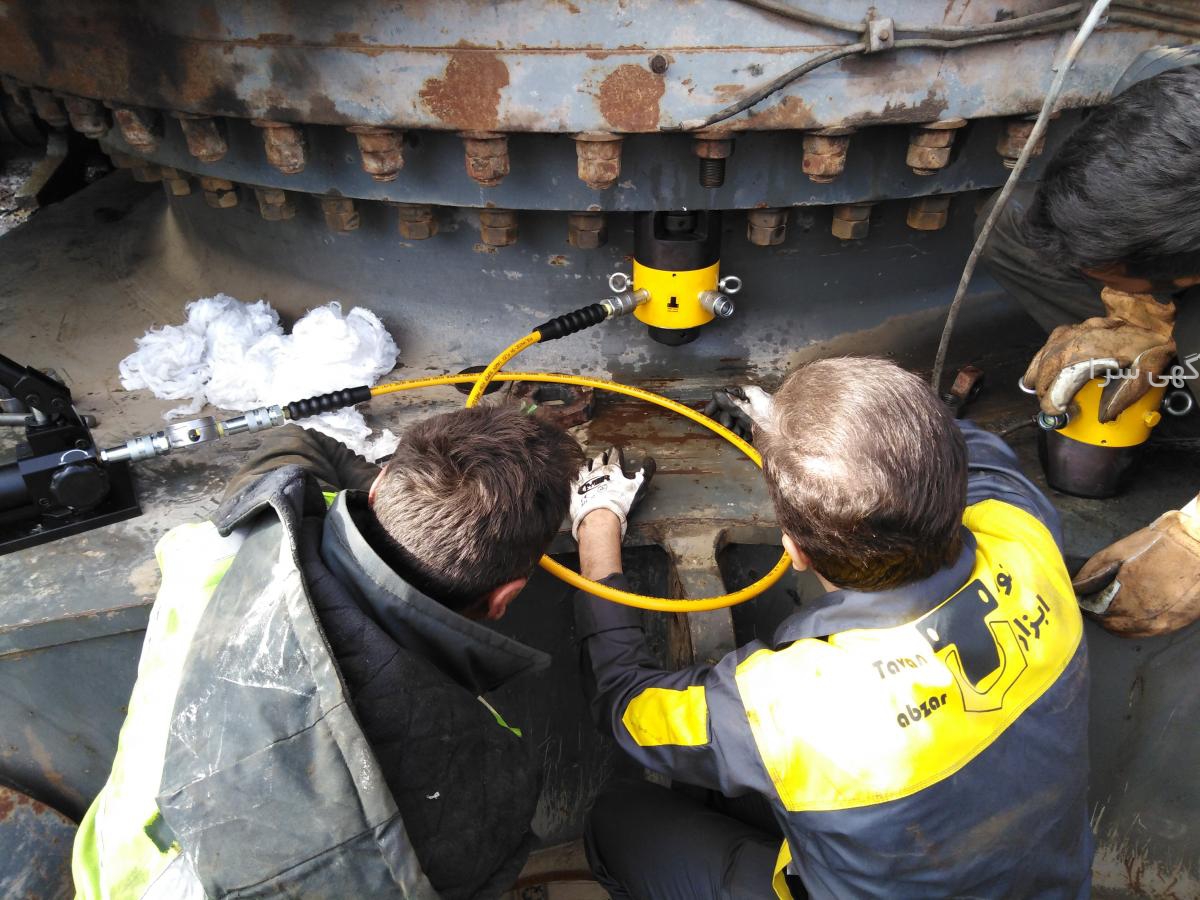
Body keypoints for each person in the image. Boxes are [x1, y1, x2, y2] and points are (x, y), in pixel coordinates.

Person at [572, 357, 1091, 899]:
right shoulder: (1025, 540)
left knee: (617, 819)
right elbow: (968, 449)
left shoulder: (786, 709)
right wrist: (803, 435)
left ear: (794, 551)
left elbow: (624, 701)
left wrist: (597, 522)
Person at [72, 408, 583, 899]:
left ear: (377, 489)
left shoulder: (222, 550)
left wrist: (412, 508)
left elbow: (298, 443)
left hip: (121, 875)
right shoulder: (479, 775)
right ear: (505, 598)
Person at [980, 50, 1200, 637]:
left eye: (1117, 279)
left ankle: (1185, 403)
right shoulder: (1167, 81)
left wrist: (1193, 543)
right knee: (1006, 224)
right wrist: (1137, 316)